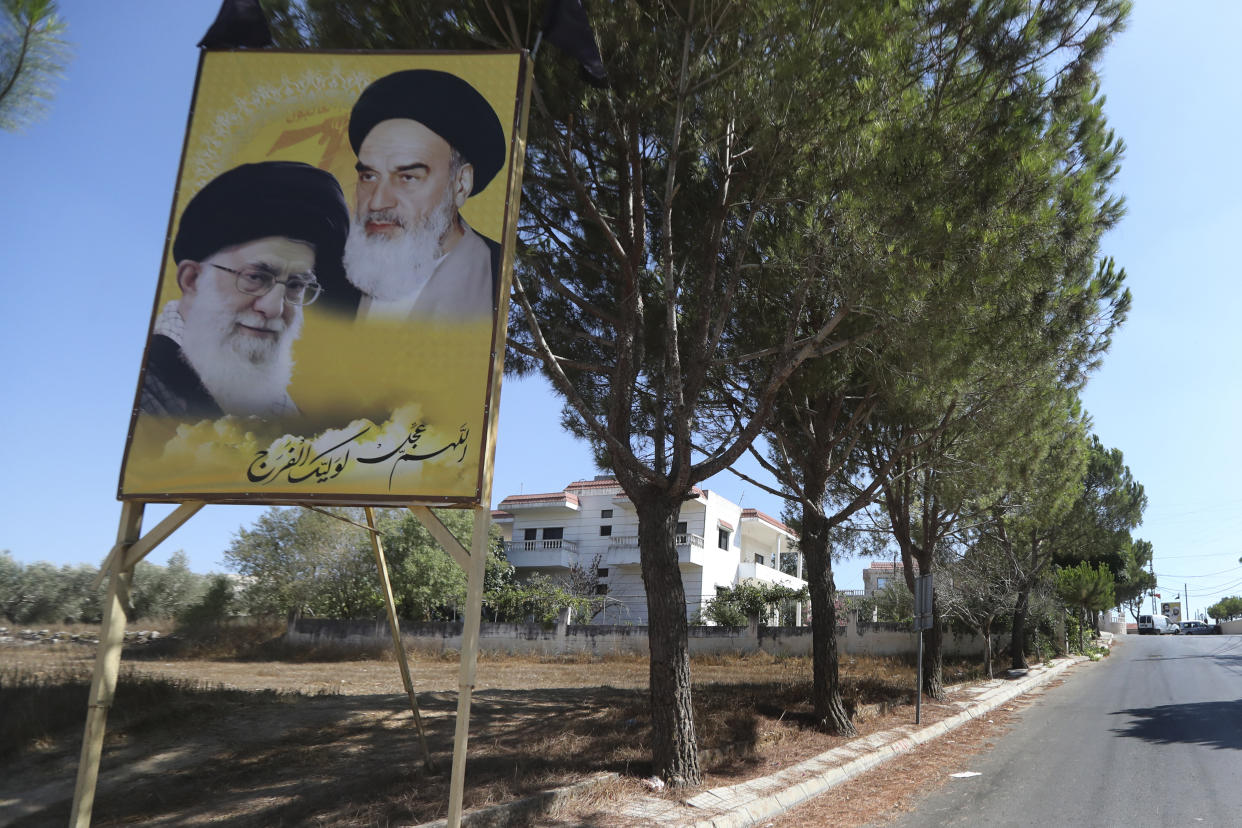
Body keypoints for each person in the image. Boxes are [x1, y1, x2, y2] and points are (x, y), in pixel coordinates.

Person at [138, 161, 349, 419]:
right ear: (192, 280)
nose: (273, 308)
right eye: (255, 277)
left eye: (295, 285)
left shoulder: (279, 411)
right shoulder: (141, 390)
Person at [344, 69, 507, 322]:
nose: (377, 202)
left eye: (407, 178)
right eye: (369, 176)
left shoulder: (498, 278)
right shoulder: (333, 277)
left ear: (461, 185)